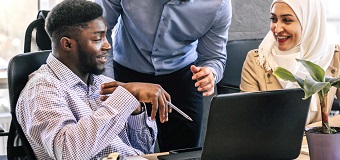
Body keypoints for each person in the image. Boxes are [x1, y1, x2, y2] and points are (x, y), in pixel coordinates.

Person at [16, 0, 172, 159]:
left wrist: (135, 112)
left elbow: (144, 151)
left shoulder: (100, 83)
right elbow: (67, 153)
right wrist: (125, 96)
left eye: (106, 37)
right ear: (67, 44)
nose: (107, 46)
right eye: (98, 39)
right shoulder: (42, 90)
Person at [94, 0, 232, 151]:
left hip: (182, 78)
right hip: (126, 75)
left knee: (184, 152)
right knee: (122, 149)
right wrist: (107, 82)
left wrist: (210, 73)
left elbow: (214, 57)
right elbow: (99, 30)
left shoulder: (219, 4)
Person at [240, 0, 340, 125]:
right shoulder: (258, 60)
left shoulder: (333, 56)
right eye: (274, 19)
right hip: (271, 143)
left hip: (319, 143)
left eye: (287, 20)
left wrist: (315, 132)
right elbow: (248, 122)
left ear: (310, 22)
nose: (277, 28)